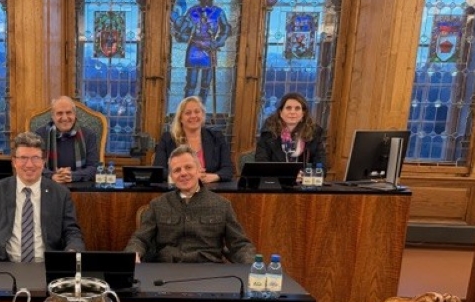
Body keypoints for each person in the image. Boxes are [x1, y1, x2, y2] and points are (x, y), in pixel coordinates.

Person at [0, 132, 85, 262]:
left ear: (43, 161)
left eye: (35, 158)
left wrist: (73, 250)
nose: (29, 165)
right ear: (14, 161)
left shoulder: (60, 193)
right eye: (23, 158)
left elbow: (71, 231)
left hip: (46, 264)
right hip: (3, 263)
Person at [126, 145, 255, 264]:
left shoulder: (222, 205)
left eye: (188, 167)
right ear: (172, 176)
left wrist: (252, 265)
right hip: (167, 270)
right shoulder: (157, 205)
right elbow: (139, 239)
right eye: (177, 170)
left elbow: (240, 245)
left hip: (209, 270)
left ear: (199, 171)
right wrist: (134, 254)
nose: (183, 173)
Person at [153, 96, 234, 183]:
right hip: (178, 188)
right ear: (180, 118)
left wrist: (211, 177)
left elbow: (228, 170)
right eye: (188, 113)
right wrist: (189, 176)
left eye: (197, 112)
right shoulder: (167, 139)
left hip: (209, 188)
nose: (193, 116)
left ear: (202, 115)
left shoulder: (217, 137)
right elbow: (159, 171)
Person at [174, 0, 231, 103]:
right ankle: (187, 110)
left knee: (205, 84)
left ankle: (201, 110)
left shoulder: (218, 12)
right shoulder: (192, 11)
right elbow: (182, 31)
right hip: (194, 50)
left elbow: (226, 29)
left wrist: (216, 43)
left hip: (210, 50)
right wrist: (186, 36)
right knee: (191, 84)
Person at [34, 96, 99, 183]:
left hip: (80, 185)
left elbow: (93, 167)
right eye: (59, 113)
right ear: (52, 116)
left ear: (75, 114)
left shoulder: (89, 135)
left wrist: (72, 176)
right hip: (49, 184)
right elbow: (34, 164)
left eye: (69, 113)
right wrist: (52, 176)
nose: (65, 118)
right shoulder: (40, 135)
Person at [256, 92, 326, 171]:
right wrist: (284, 175)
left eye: (297, 108)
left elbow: (321, 164)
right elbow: (261, 164)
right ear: (281, 112)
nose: (292, 112)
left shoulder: (314, 133)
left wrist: (307, 174)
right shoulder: (268, 133)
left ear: (303, 113)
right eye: (288, 108)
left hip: (303, 178)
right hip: (276, 178)